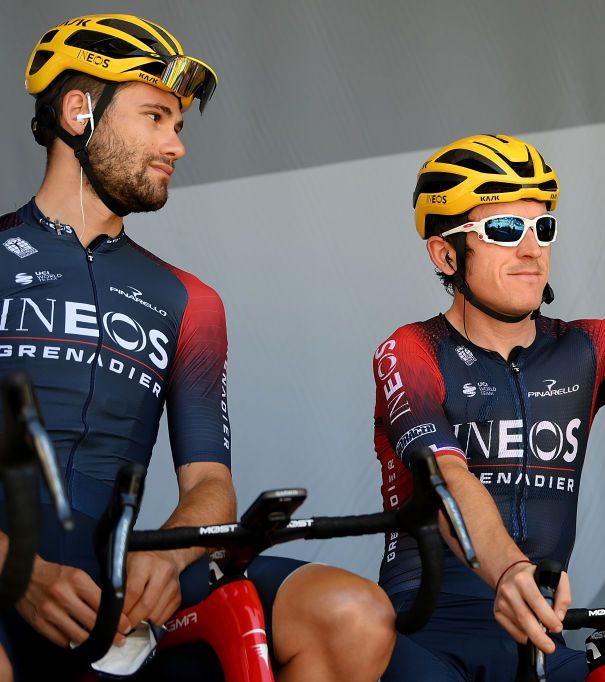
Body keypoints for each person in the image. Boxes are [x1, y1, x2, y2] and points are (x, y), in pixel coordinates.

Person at [0, 14, 394, 681]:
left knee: (350, 613)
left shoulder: (190, 301)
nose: (175, 146)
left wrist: (169, 557)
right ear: (77, 111)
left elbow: (211, 485)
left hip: (116, 587)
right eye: (155, 117)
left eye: (178, 126)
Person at [373, 55, 605, 681]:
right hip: (423, 632)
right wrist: (512, 570)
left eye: (541, 226)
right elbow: (446, 476)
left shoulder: (586, 349)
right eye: (502, 227)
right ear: (444, 253)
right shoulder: (410, 348)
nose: (530, 247)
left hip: (538, 638)